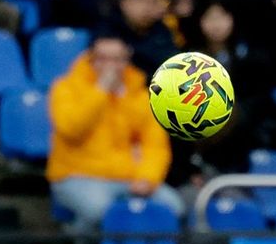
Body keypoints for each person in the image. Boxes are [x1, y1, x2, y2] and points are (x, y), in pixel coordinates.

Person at [47, 34, 185, 233]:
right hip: (77, 175)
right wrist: (101, 90)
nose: (110, 66)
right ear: (90, 58)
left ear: (126, 60)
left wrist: (147, 177)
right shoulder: (65, 88)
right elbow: (71, 129)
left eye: (117, 59)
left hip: (129, 178)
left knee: (174, 207)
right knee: (100, 211)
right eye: (103, 59)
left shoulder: (140, 95)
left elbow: (155, 145)